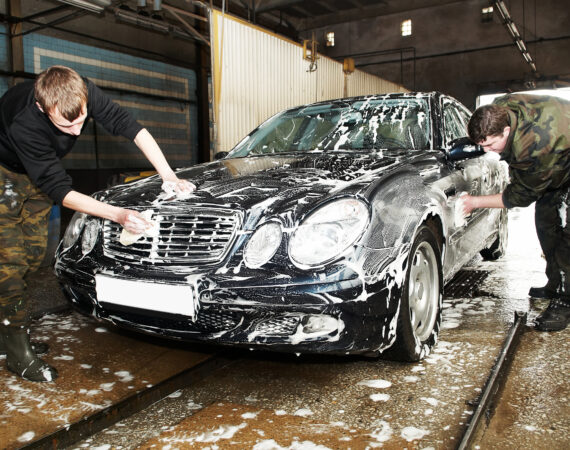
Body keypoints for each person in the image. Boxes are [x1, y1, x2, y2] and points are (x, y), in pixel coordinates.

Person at [0, 65, 195, 382]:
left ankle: (5, 330)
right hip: (4, 172)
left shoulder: (84, 90)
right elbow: (61, 191)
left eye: (81, 119)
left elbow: (131, 127)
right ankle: (15, 349)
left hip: (36, 175)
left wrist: (168, 175)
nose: (77, 131)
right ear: (42, 107)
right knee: (8, 264)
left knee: (33, 257)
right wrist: (118, 215)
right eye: (66, 124)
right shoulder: (26, 123)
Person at [463, 93, 569, 332]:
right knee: (546, 225)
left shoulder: (533, 148)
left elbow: (519, 196)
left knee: (567, 239)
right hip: (557, 161)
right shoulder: (499, 107)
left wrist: (474, 202)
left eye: (490, 145)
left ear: (507, 131)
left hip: (559, 154)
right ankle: (556, 282)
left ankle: (566, 300)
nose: (488, 151)